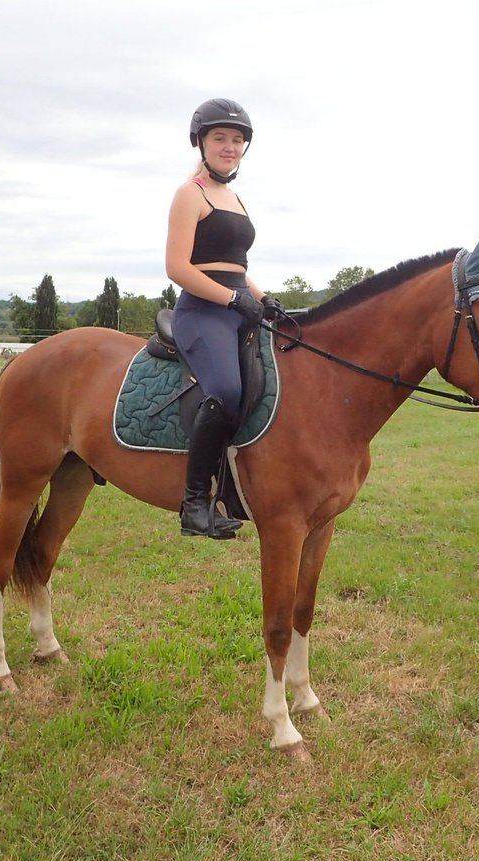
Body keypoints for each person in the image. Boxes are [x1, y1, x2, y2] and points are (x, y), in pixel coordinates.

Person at [165, 98, 283, 540]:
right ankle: (195, 503)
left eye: (237, 140)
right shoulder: (188, 194)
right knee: (226, 390)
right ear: (202, 142)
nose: (229, 147)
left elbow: (236, 267)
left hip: (236, 305)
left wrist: (263, 297)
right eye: (220, 138)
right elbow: (178, 267)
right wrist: (234, 302)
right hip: (201, 312)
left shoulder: (234, 197)